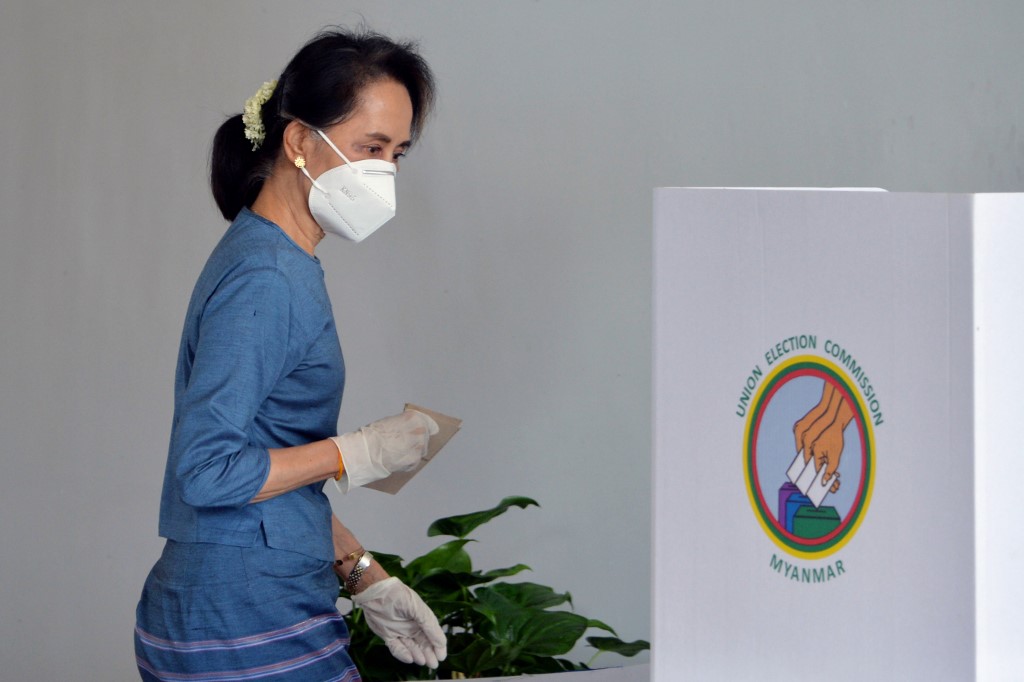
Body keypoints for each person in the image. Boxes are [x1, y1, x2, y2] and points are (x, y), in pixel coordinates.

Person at [134, 28, 446, 681]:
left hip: (241, 605)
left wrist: (361, 573)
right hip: (243, 618)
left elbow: (266, 459)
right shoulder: (268, 278)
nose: (384, 172)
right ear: (301, 142)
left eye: (397, 153)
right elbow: (208, 470)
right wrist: (352, 453)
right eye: (369, 148)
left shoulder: (277, 260)